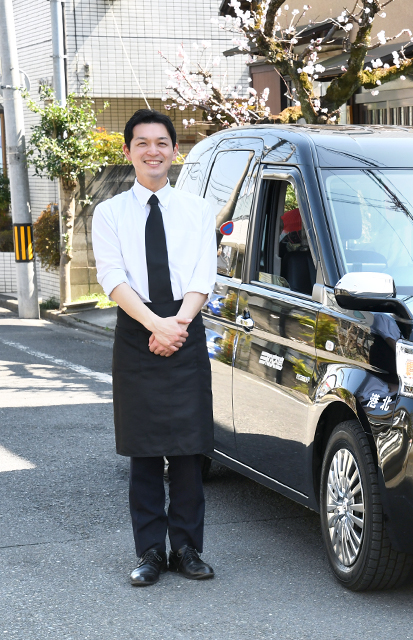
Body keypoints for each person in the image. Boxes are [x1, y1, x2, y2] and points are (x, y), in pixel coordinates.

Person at [92, 109, 217, 586]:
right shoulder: (109, 213)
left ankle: (186, 548)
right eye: (141, 142)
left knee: (187, 450)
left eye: (161, 142)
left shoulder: (197, 209)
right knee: (144, 451)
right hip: (136, 327)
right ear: (128, 152)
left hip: (184, 326)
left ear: (173, 150)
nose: (152, 150)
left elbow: (203, 273)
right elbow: (111, 277)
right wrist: (154, 324)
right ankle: (149, 552)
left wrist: (177, 325)